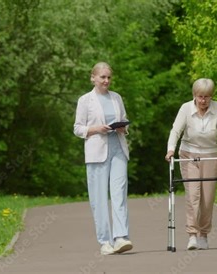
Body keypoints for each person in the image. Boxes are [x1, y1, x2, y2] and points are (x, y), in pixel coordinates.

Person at [74, 62, 133, 255]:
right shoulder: (85, 100)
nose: (106, 81)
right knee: (99, 197)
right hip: (97, 152)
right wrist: (95, 129)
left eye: (109, 77)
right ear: (93, 78)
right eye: (102, 77)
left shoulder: (117, 98)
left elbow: (125, 120)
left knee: (119, 194)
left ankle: (121, 237)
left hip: (118, 149)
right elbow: (78, 128)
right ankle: (105, 242)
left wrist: (123, 127)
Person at [164, 78, 217, 250]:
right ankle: (192, 235)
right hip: (189, 153)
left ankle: (204, 235)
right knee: (193, 195)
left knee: (207, 199)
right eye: (200, 97)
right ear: (194, 95)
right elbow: (176, 130)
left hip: (211, 154)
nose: (203, 101)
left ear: (211, 97)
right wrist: (171, 149)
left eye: (207, 97)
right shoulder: (186, 108)